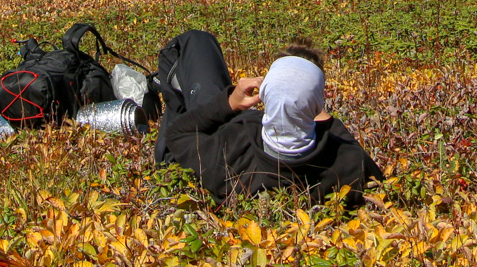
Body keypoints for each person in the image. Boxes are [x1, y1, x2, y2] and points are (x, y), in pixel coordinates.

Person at [153, 30, 382, 205]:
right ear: (317, 103)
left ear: (266, 94)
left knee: (195, 41)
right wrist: (311, 105)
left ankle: (166, 89)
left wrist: (229, 103)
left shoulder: (228, 151)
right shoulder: (347, 162)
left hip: (205, 135)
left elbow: (178, 133)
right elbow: (373, 175)